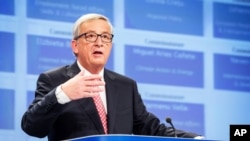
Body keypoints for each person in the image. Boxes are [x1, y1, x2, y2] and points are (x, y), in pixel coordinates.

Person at [21, 13, 204, 141]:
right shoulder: (54, 80)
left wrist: (195, 138)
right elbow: (32, 127)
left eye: (106, 37)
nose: (99, 42)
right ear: (75, 46)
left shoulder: (126, 86)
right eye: (91, 36)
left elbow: (151, 128)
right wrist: (62, 94)